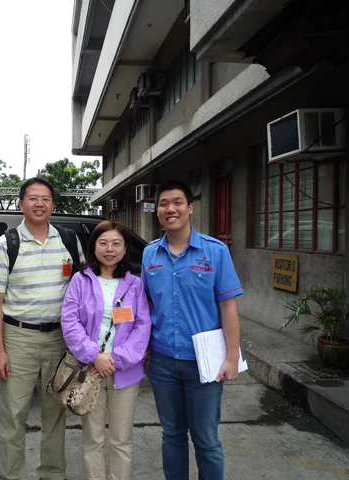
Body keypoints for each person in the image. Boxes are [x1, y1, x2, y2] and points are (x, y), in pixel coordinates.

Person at [0, 177, 85, 480]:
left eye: (46, 198)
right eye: (33, 198)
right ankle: (10, 475)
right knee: (12, 415)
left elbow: (81, 290)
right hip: (18, 338)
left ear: (53, 204)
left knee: (55, 412)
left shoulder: (68, 240)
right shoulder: (6, 244)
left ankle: (53, 473)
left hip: (59, 339)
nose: (40, 204)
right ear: (21, 203)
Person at [141, 180, 243, 480]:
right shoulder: (149, 254)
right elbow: (146, 305)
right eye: (163, 203)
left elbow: (228, 307)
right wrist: (144, 350)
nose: (170, 209)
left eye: (177, 202)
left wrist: (232, 357)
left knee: (206, 440)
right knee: (172, 435)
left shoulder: (215, 251)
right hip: (162, 361)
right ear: (157, 210)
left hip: (205, 363)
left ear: (190, 207)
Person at [61, 220, 151, 480]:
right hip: (91, 370)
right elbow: (70, 321)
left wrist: (116, 359)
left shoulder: (135, 284)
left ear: (125, 249)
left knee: (122, 440)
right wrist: (94, 356)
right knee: (93, 439)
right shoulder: (80, 280)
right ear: (94, 247)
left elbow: (143, 325)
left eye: (116, 243)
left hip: (125, 371)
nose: (109, 249)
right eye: (103, 243)